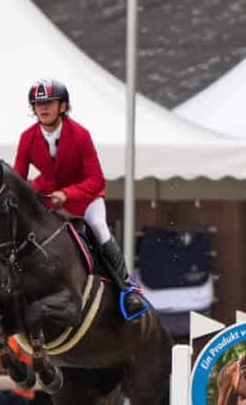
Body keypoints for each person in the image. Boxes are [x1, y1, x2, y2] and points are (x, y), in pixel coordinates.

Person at [12, 78, 147, 320]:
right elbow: (19, 179)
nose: (43, 108)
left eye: (49, 103)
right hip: (47, 200)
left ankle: (127, 289)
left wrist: (68, 193)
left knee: (99, 228)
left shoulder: (80, 135)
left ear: (63, 106)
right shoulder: (27, 138)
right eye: (38, 104)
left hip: (84, 199)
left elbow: (96, 180)